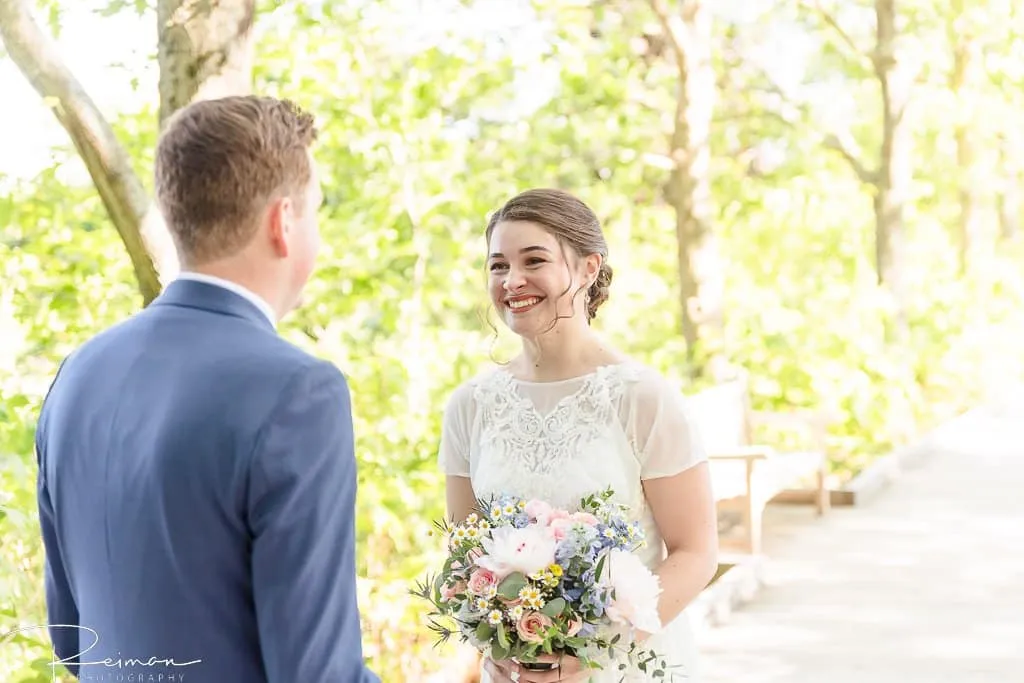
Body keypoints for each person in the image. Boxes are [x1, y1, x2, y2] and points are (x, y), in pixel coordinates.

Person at [33, 96, 379, 683]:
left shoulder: (78, 374)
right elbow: (315, 674)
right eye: (315, 212)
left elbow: (72, 641)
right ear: (283, 222)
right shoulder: (299, 392)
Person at [438, 188, 718, 682]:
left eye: (534, 260)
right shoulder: (470, 406)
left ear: (589, 268)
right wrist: (498, 646)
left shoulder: (643, 398)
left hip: (629, 666)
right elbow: (465, 560)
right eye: (498, 265)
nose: (512, 280)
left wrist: (598, 649)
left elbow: (696, 552)